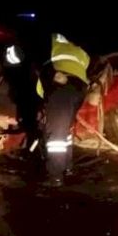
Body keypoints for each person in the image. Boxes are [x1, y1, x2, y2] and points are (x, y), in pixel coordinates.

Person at [35, 33, 90, 187]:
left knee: (56, 137)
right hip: (79, 88)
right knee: (64, 131)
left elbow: (38, 62)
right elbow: (86, 63)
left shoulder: (49, 40)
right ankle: (67, 167)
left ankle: (55, 177)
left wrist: (54, 75)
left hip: (60, 85)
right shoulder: (77, 49)